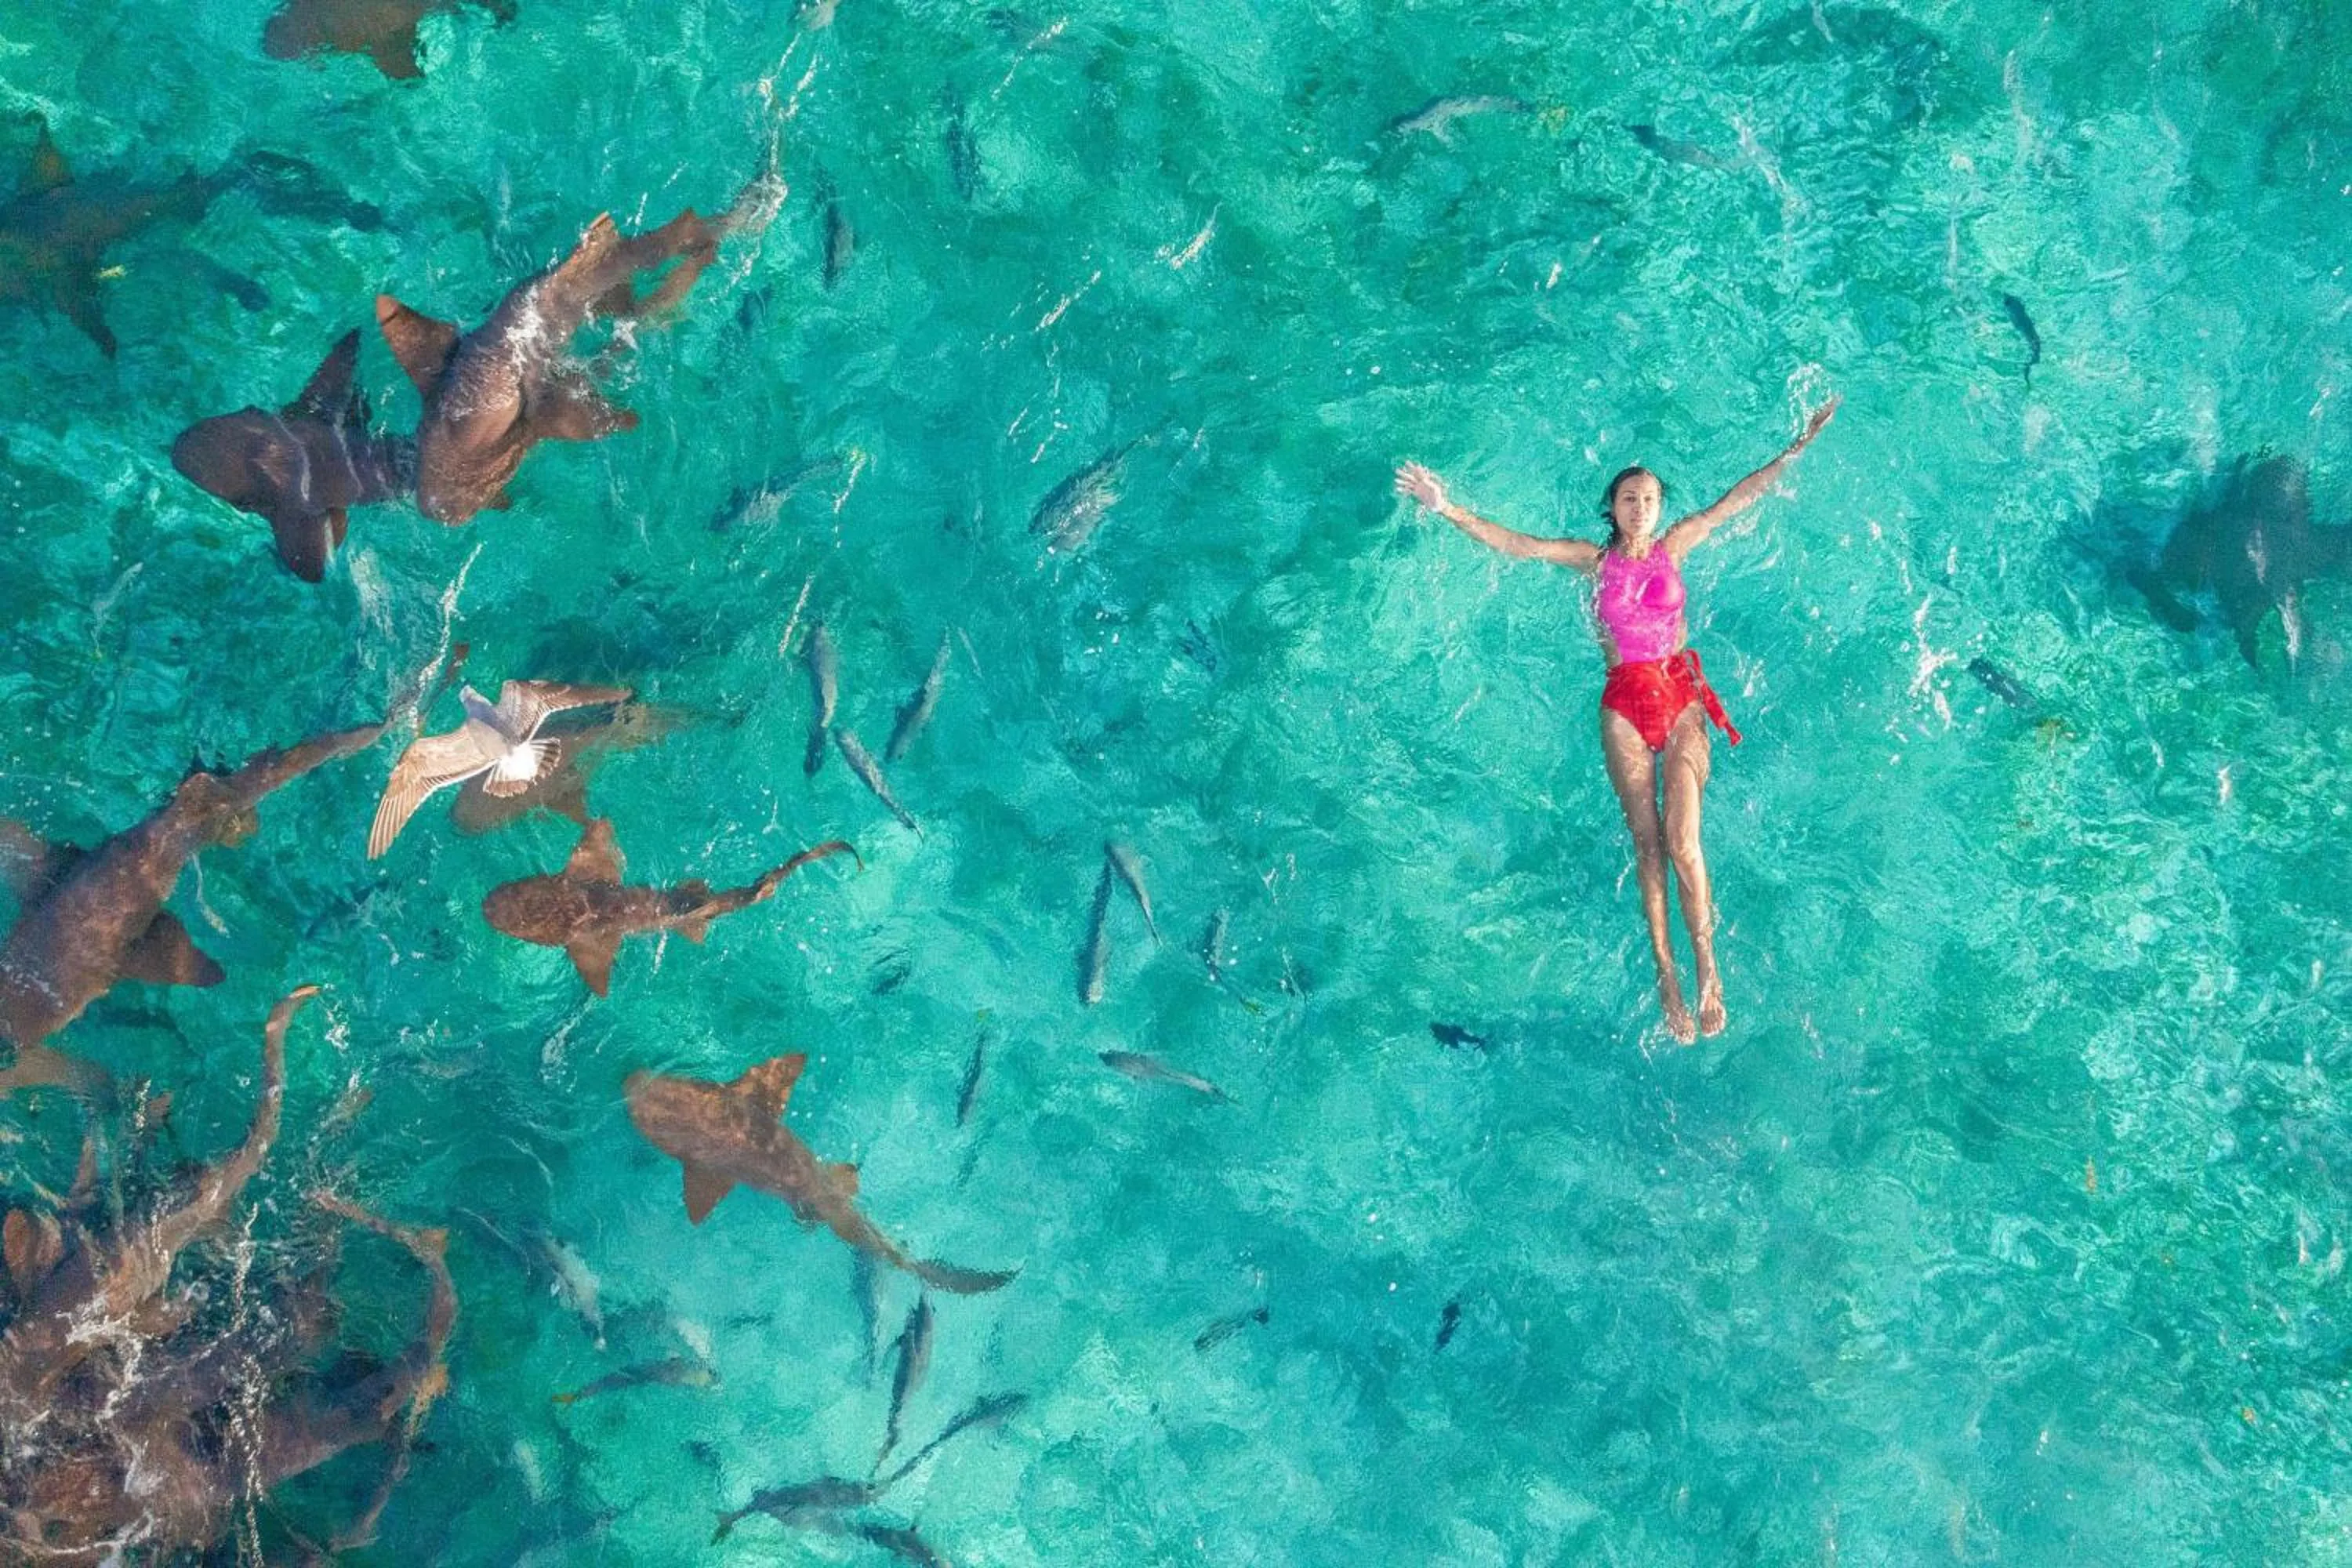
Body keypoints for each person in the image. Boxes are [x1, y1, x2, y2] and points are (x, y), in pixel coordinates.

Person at [1393, 397, 1838, 1042]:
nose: (1641, 507)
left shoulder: (1676, 546)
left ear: (1660, 508)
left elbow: (1739, 499)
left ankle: (1709, 967)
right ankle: (1667, 972)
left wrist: (1799, 445)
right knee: (1649, 843)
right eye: (1630, 498)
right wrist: (1446, 506)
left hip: (1681, 694)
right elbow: (1519, 544)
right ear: (1613, 508)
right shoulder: (1591, 561)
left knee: (1686, 839)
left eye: (1651, 498)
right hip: (1624, 703)